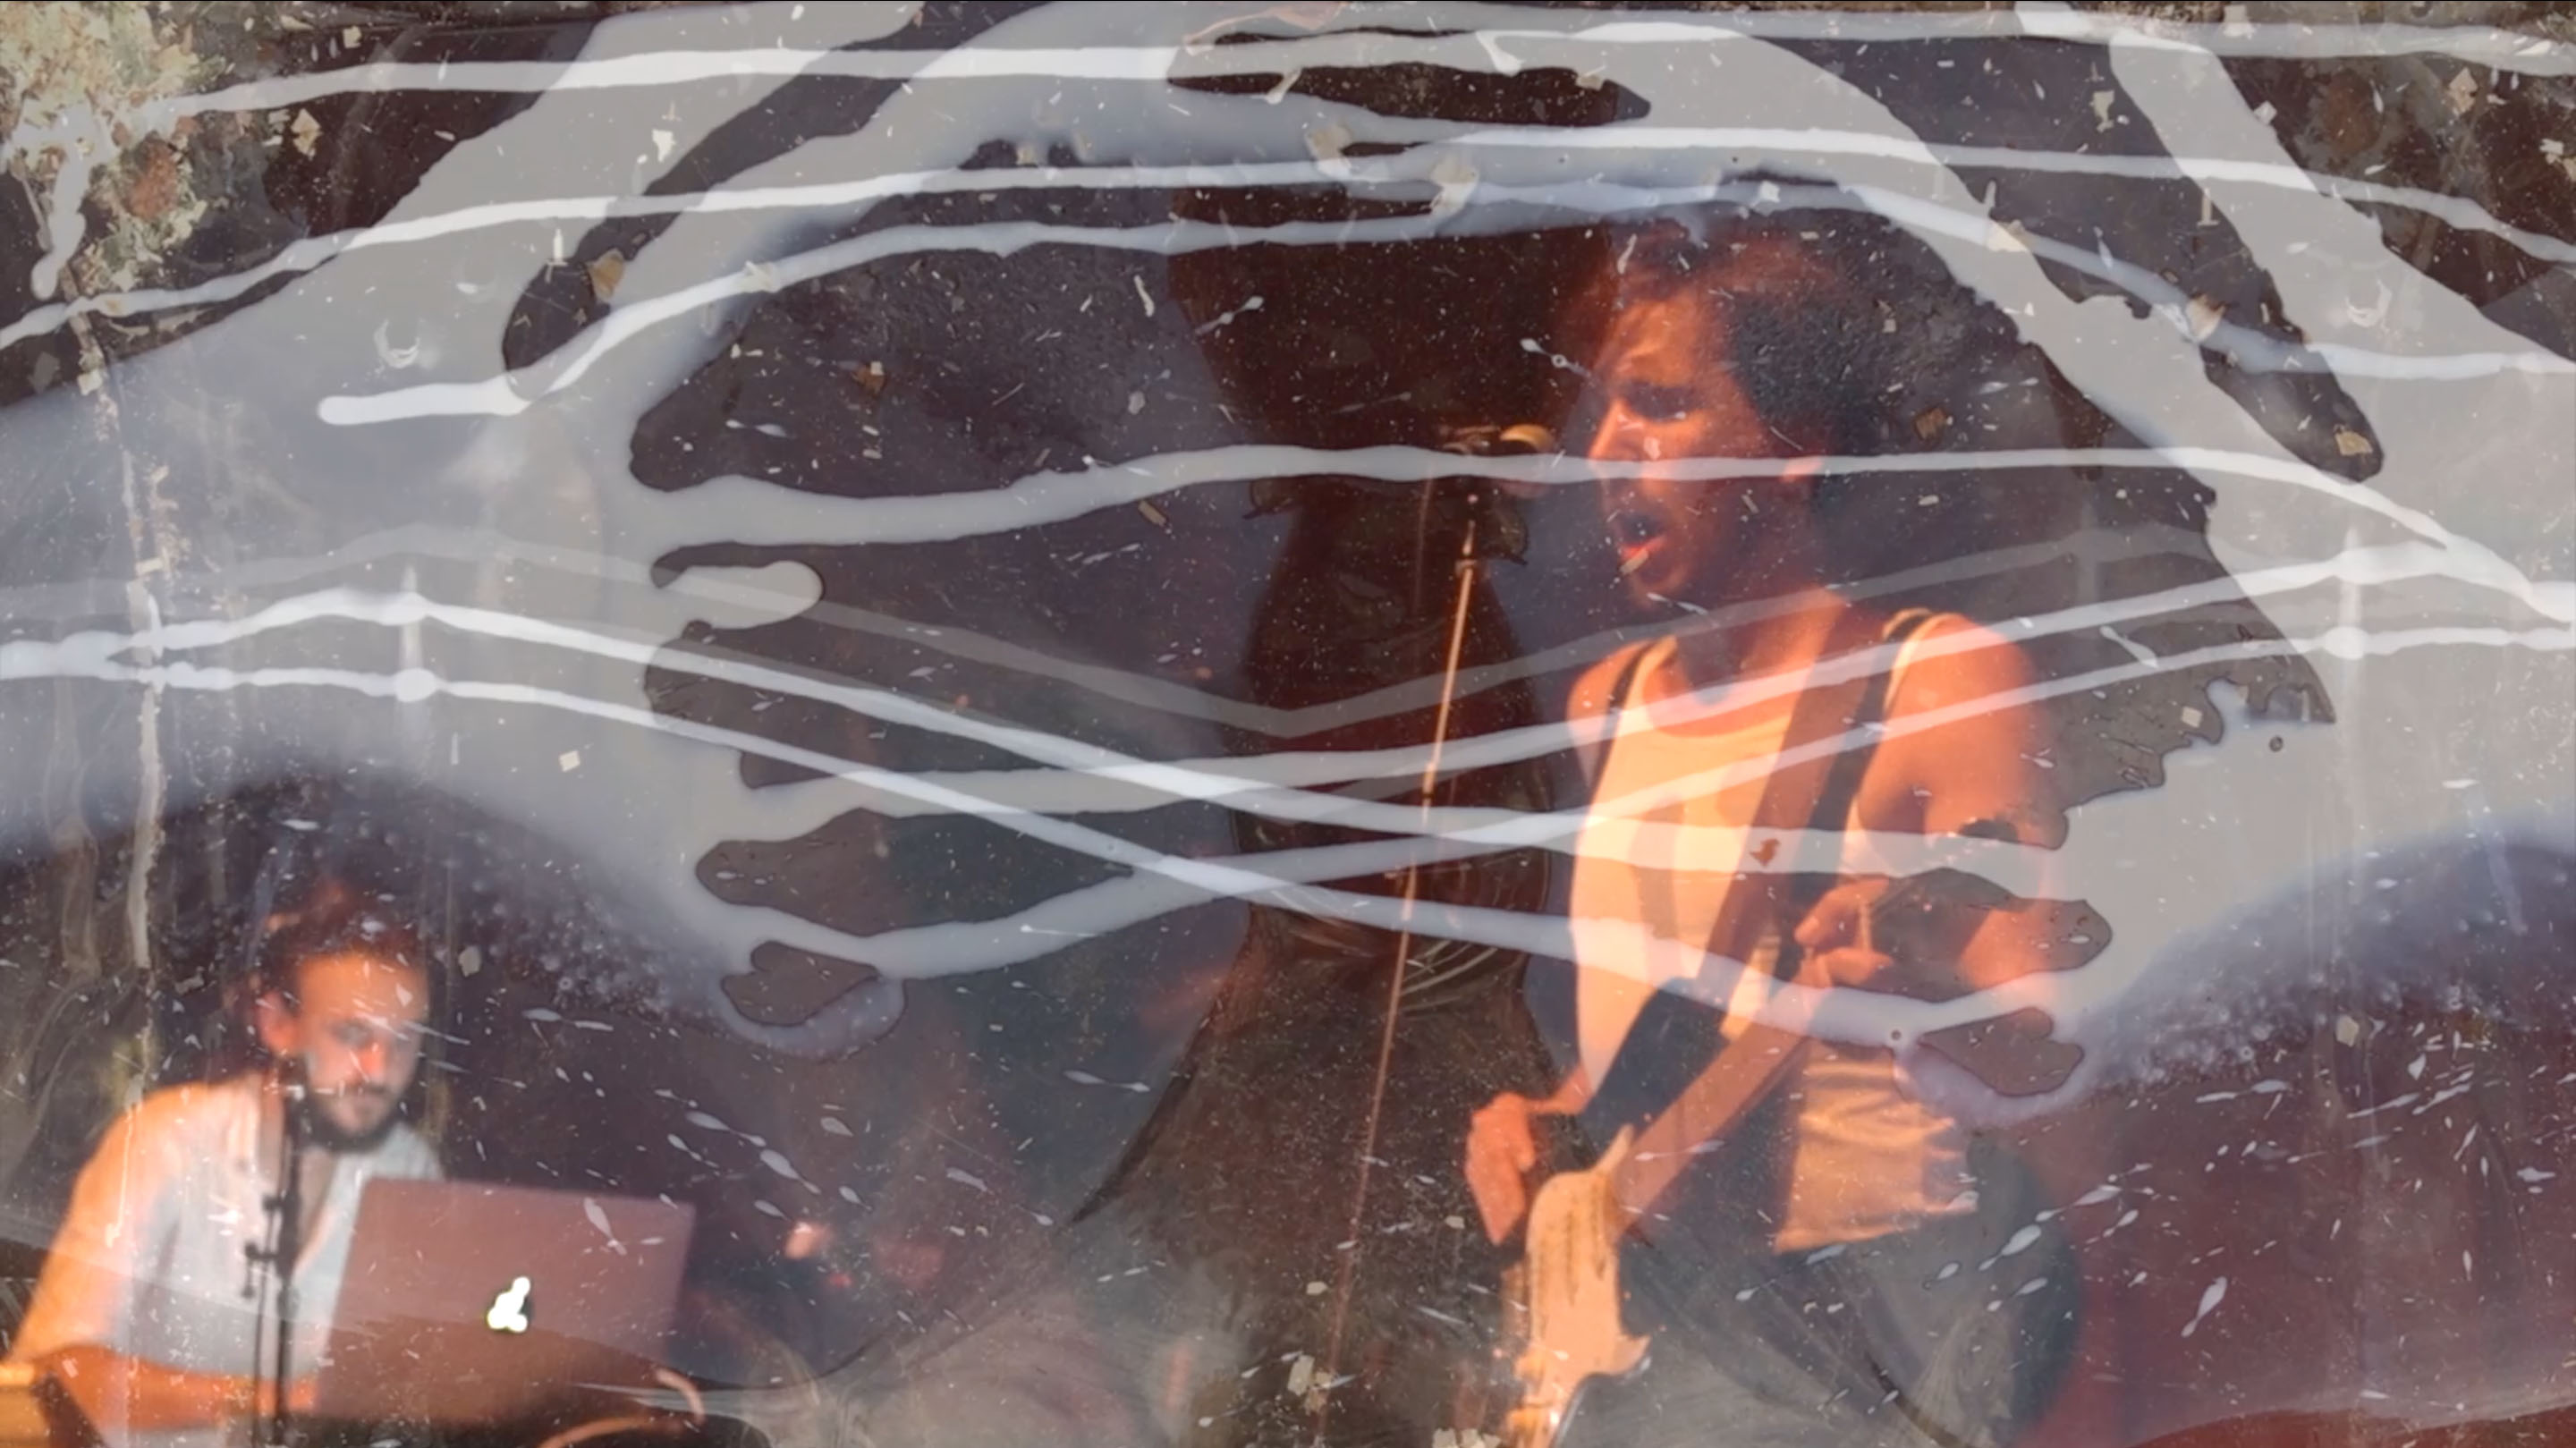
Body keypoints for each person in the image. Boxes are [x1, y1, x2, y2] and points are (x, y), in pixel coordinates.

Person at [1462, 211, 2083, 1448]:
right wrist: (1551, 1114)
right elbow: (1672, 1026)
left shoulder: (1936, 680)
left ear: (1794, 444)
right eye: (1602, 411)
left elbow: (2038, 1051)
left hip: (1865, 1314)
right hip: (1659, 1313)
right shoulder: (1610, 701)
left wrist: (1912, 971)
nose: (1608, 450)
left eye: (1660, 405)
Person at [7, 886, 442, 1448]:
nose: (379, 1070)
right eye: (353, 1034)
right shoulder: (168, 1140)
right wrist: (268, 1401)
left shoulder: (407, 1167)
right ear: (277, 1023)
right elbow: (56, 1375)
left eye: (404, 1040)